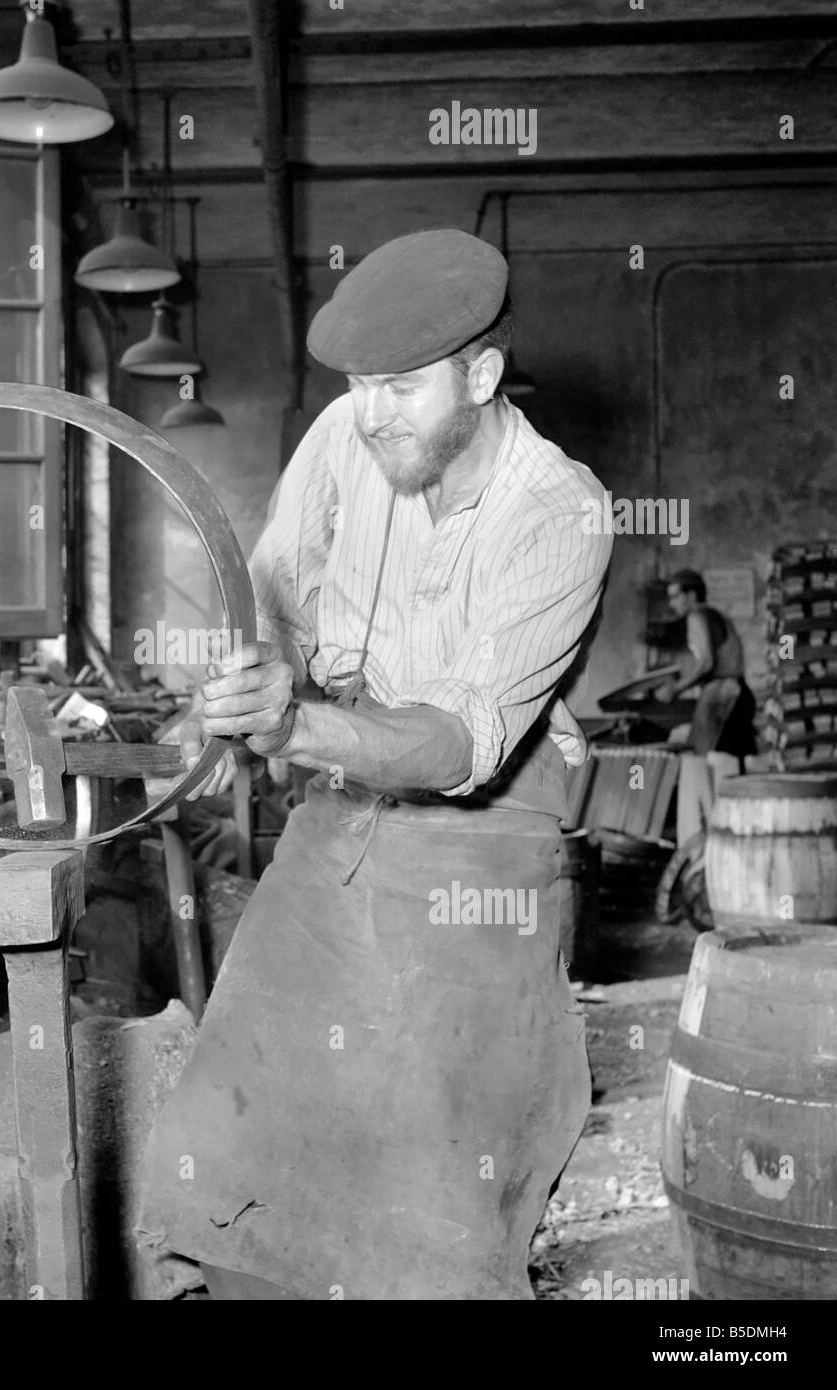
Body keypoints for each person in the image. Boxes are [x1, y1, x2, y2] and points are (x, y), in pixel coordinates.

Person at [138, 229, 614, 1300]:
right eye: (356, 385)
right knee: (226, 1158)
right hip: (336, 827)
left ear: (480, 375)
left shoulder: (559, 511)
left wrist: (292, 727)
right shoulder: (348, 438)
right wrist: (237, 687)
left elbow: (464, 742)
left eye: (400, 387)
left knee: (432, 1218)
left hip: (478, 862)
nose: (370, 412)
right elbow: (265, 597)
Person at [656, 568, 756, 846]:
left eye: (676, 596)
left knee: (711, 762)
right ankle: (731, 833)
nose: (673, 603)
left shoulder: (697, 615)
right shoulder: (718, 615)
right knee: (726, 764)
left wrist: (675, 688)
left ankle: (714, 837)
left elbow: (707, 663)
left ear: (691, 594)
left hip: (724, 695)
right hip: (736, 692)